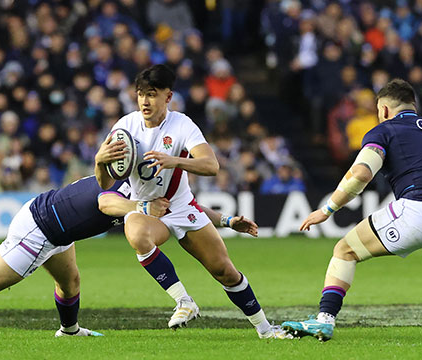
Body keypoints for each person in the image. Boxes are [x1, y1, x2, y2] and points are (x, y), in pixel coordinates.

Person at [0, 176, 256, 339]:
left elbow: (181, 206)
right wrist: (139, 206)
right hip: (38, 232)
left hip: (55, 228)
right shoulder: (126, 189)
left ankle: (69, 332)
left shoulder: (140, 182)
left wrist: (225, 220)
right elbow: (107, 202)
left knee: (69, 281)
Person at [94, 64, 289, 339]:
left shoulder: (182, 125)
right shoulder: (125, 126)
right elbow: (104, 183)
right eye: (140, 94)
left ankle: (265, 329)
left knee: (225, 271)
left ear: (168, 96)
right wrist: (99, 162)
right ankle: (184, 301)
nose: (145, 101)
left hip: (183, 208)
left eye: (152, 94)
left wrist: (174, 160)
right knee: (137, 235)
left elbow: (211, 165)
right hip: (146, 208)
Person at [281, 79, 422, 343]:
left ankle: (324, 320)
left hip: (419, 210)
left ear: (384, 109)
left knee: (344, 250)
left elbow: (361, 173)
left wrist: (328, 209)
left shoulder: (384, 130)